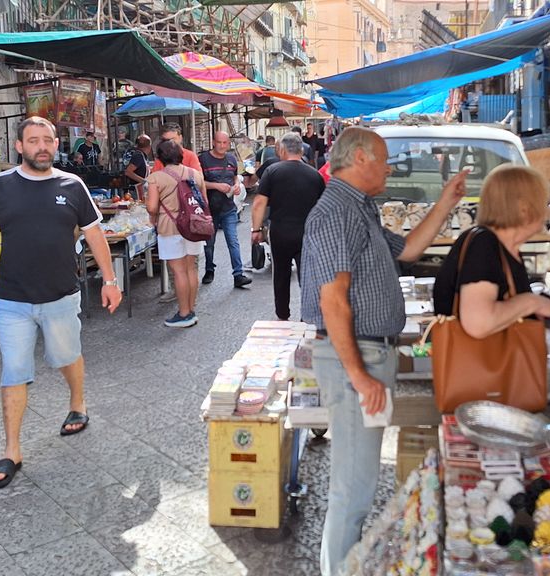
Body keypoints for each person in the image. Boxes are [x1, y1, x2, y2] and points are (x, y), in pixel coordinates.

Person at [301, 127, 469, 575]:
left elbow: (411, 248)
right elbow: (332, 301)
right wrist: (359, 377)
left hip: (370, 354)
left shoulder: (361, 208)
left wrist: (447, 201)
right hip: (356, 358)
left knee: (357, 483)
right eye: (383, 159)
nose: (390, 167)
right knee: (352, 491)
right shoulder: (336, 211)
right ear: (358, 160)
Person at [0, 116, 123, 490]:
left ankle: (78, 403)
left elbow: (95, 234)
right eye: (33, 140)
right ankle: (12, 451)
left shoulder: (72, 185)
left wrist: (109, 280)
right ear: (19, 146)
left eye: (48, 140)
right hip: (12, 299)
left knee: (65, 356)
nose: (42, 146)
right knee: (14, 371)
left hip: (60, 294)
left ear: (56, 145)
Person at [433, 165, 550, 340]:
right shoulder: (483, 245)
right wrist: (533, 302)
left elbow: (506, 309)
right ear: (523, 208)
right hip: (481, 364)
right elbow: (479, 324)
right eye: (543, 202)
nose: (547, 212)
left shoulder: (504, 248)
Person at [252, 132, 325, 320]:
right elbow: (323, 207)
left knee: (281, 275)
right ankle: (307, 315)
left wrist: (256, 229)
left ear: (282, 150)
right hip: (307, 233)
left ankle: (282, 314)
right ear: (301, 150)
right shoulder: (314, 175)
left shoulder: (272, 171)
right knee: (307, 276)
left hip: (280, 232)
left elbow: (259, 202)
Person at [146, 139, 206, 328]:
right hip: (194, 226)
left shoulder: (156, 177)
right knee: (191, 269)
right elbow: (203, 201)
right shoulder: (195, 174)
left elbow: (152, 207)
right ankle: (191, 309)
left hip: (170, 227)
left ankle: (184, 313)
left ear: (160, 157)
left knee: (178, 271)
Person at [199, 131, 252, 288]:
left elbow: (235, 176)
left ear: (228, 143)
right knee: (209, 243)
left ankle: (238, 274)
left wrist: (236, 185)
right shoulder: (203, 159)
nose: (222, 146)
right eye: (219, 142)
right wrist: (216, 186)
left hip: (228, 207)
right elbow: (198, 182)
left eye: (225, 143)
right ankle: (209, 269)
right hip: (209, 208)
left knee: (233, 241)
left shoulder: (231, 159)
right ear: (213, 142)